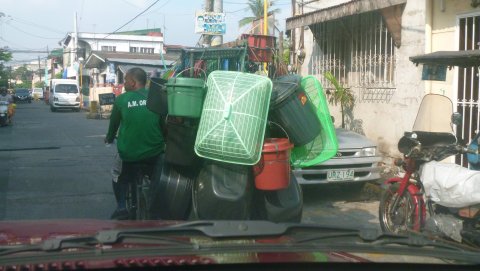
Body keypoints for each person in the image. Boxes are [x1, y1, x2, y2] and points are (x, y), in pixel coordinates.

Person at [105, 67, 165, 220]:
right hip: (154, 153)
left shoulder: (121, 100)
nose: (124, 83)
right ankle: (156, 204)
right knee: (159, 178)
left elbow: (113, 126)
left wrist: (109, 138)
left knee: (117, 175)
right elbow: (164, 125)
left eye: (125, 80)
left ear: (132, 82)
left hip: (129, 155)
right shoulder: (156, 97)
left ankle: (121, 207)